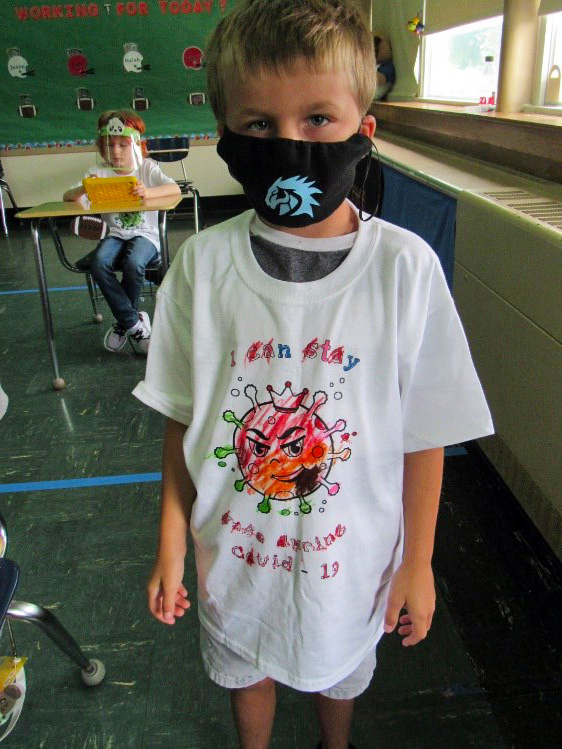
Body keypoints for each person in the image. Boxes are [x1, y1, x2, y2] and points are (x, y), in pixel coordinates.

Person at [133, 1, 494, 747]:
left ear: (366, 127)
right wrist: (171, 540)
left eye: (318, 119)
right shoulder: (202, 268)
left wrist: (418, 563)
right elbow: (182, 415)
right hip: (233, 558)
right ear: (226, 134)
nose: (288, 143)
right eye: (259, 125)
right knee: (245, 671)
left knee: (340, 671)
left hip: (352, 561)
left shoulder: (404, 271)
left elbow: (426, 432)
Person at [63, 110, 181, 354]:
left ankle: (123, 323)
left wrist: (149, 192)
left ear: (136, 145)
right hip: (115, 234)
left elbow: (174, 190)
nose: (116, 151)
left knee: (134, 263)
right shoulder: (97, 172)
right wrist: (83, 189)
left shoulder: (146, 168)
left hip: (146, 235)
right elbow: (67, 199)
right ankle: (134, 322)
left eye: (122, 145)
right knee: (98, 262)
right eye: (110, 145)